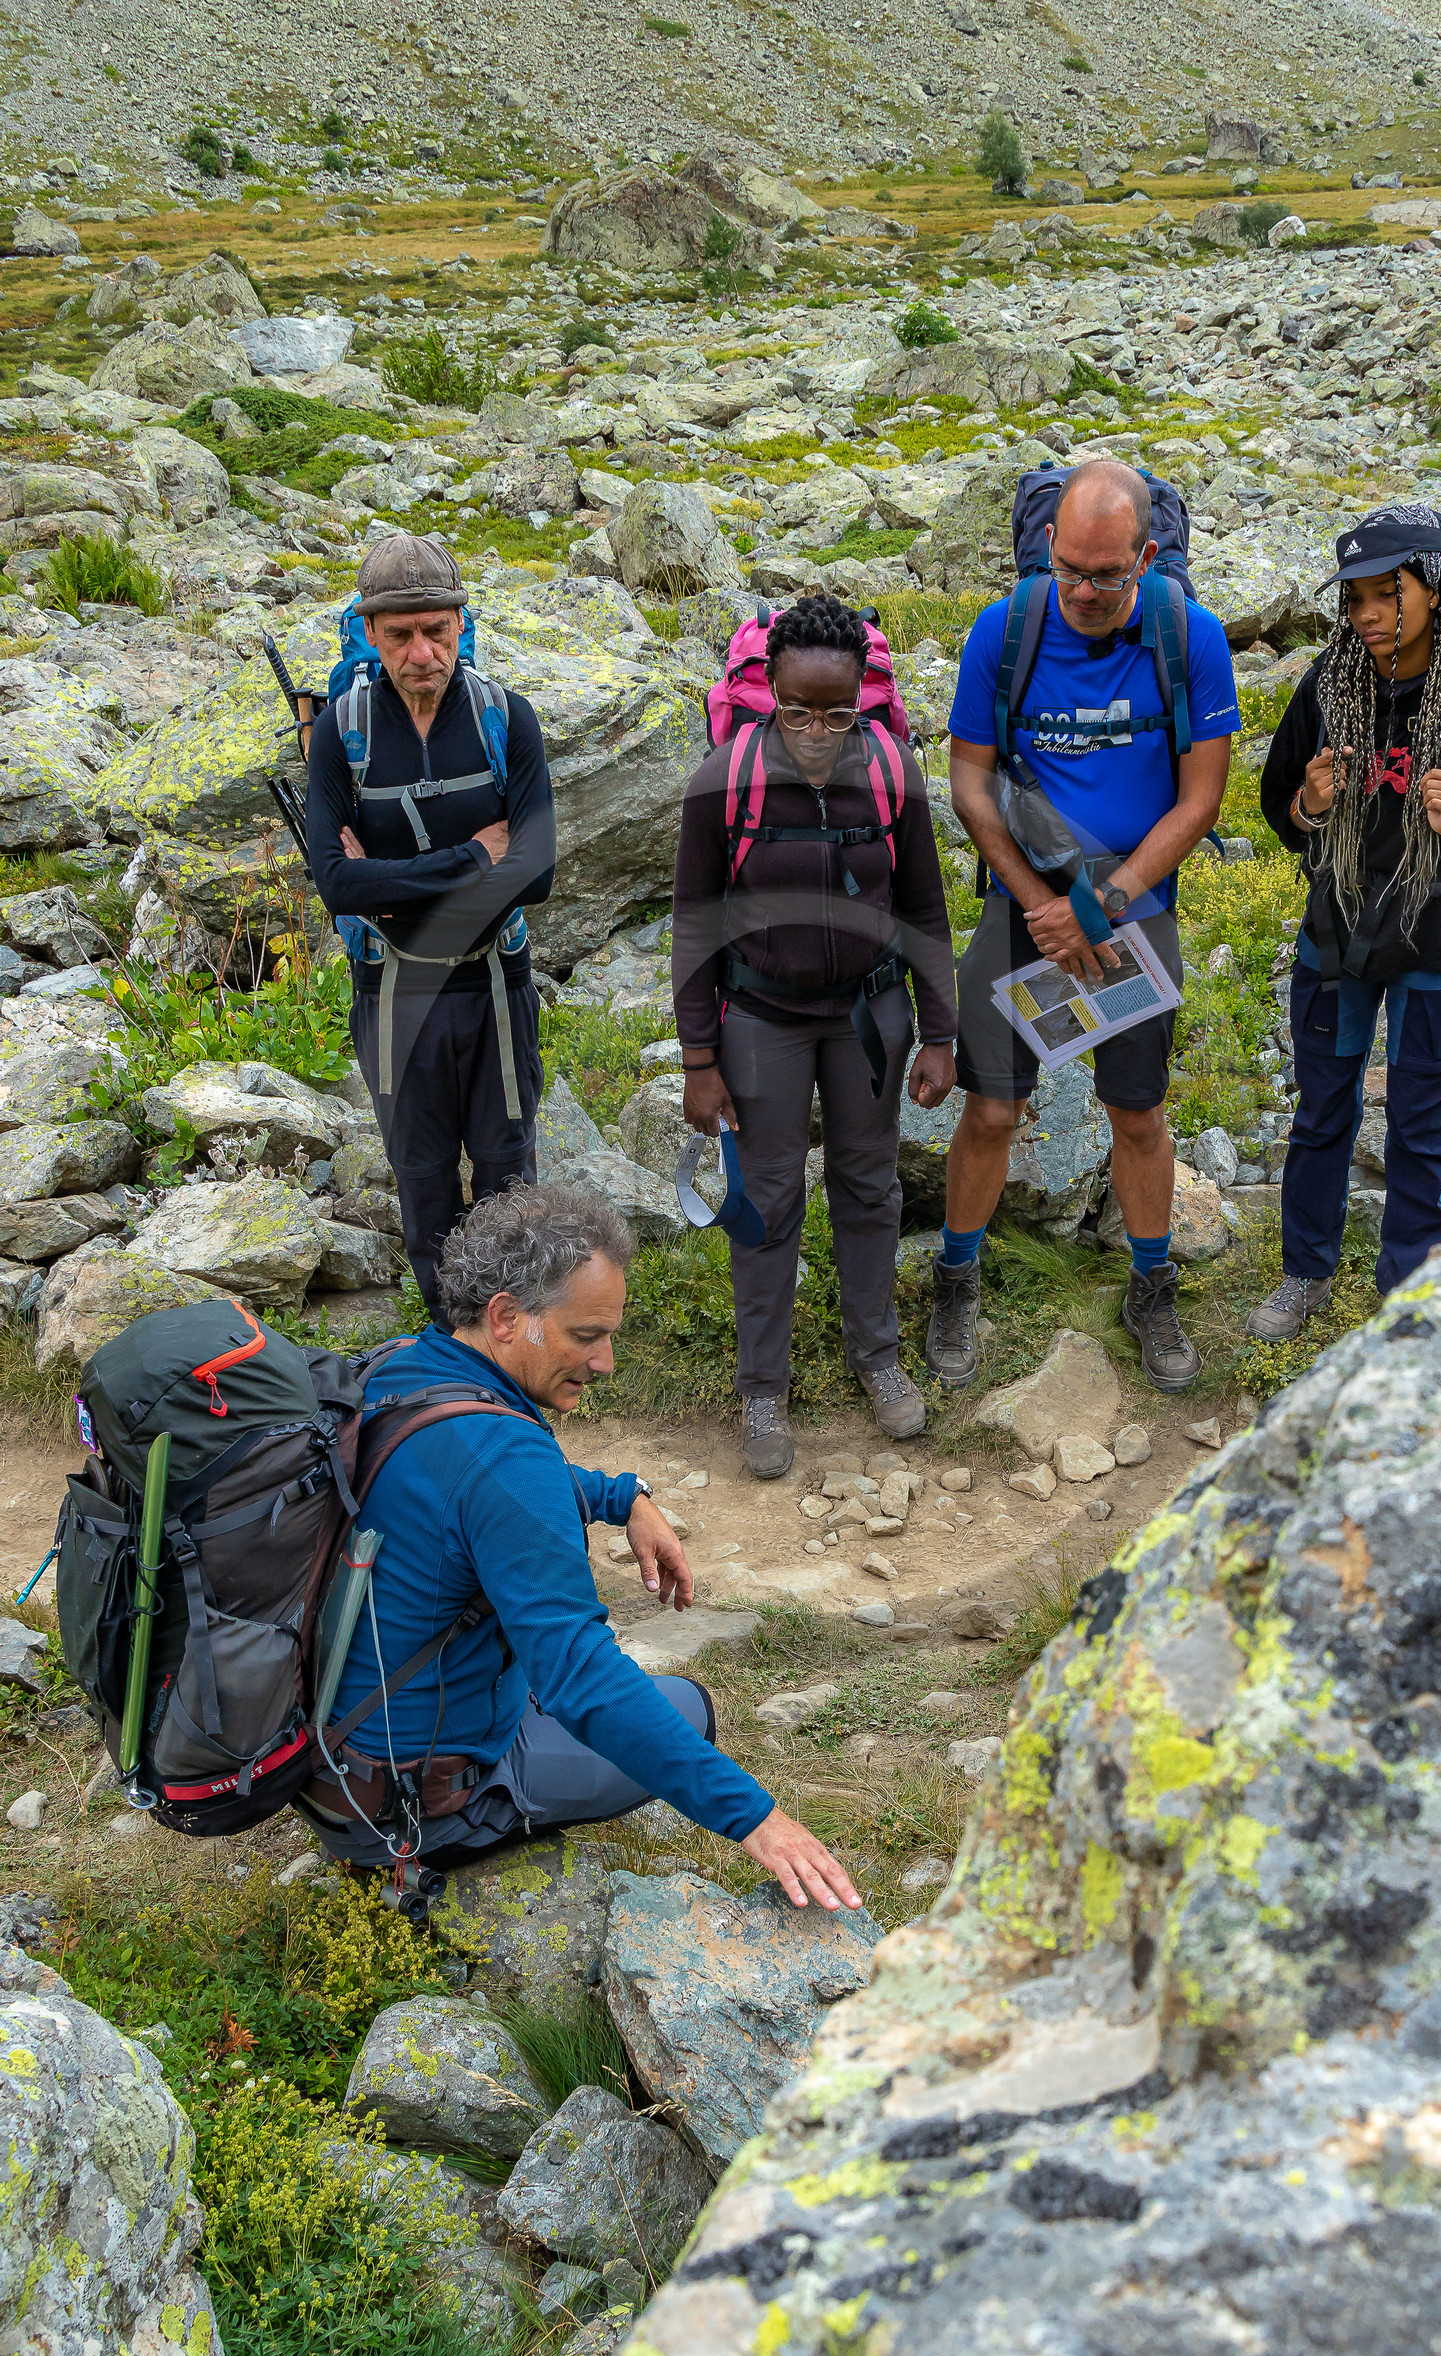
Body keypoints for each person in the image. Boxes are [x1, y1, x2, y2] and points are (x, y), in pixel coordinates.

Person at [300, 1181, 860, 1913]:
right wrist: (756, 1818)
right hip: (413, 1810)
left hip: (330, 1767)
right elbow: (580, 1676)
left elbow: (471, 1482)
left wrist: (623, 1497)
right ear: (507, 1316)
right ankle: (467, 1823)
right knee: (687, 1708)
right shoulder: (506, 1458)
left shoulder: (402, 1366)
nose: (606, 1363)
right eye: (586, 1335)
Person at [929, 459, 1240, 1395]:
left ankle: (1152, 1286)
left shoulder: (1190, 637)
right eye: (1068, 568)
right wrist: (1040, 903)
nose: (1085, 592)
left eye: (1107, 574)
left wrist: (1099, 907)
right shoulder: (1006, 629)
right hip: (1025, 902)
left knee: (1137, 1112)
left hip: (1133, 913)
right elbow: (969, 780)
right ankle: (956, 1277)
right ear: (1047, 550)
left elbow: (1200, 800)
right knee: (992, 1107)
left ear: (1146, 556)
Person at [673, 593, 958, 1478]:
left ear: (863, 698)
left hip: (870, 1014)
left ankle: (877, 1356)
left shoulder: (894, 771)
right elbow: (693, 924)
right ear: (770, 688)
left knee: (869, 1186)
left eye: (838, 714)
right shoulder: (724, 779)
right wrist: (698, 1058)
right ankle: (763, 1388)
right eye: (798, 710)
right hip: (760, 1016)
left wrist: (941, 1032)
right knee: (765, 1200)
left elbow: (923, 908)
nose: (816, 732)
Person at [1250, 503, 1441, 1334]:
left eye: (1388, 593)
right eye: (1355, 598)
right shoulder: (1327, 685)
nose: (1368, 614)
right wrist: (1311, 802)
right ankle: (1305, 1272)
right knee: (1321, 1109)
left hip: (1436, 939)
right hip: (1337, 930)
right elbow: (1282, 810)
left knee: (1418, 1120)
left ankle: (1407, 1287)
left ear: (1436, 591)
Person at [306, 532, 556, 1321]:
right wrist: (475, 858)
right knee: (422, 1179)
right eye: (401, 634)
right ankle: (452, 1339)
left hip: (493, 983)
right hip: (393, 989)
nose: (422, 653)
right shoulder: (340, 732)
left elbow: (538, 876)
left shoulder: (506, 718)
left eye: (437, 631)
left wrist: (386, 885)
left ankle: (512, 1344)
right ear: (370, 633)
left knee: (508, 1175)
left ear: (460, 623)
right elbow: (334, 885)